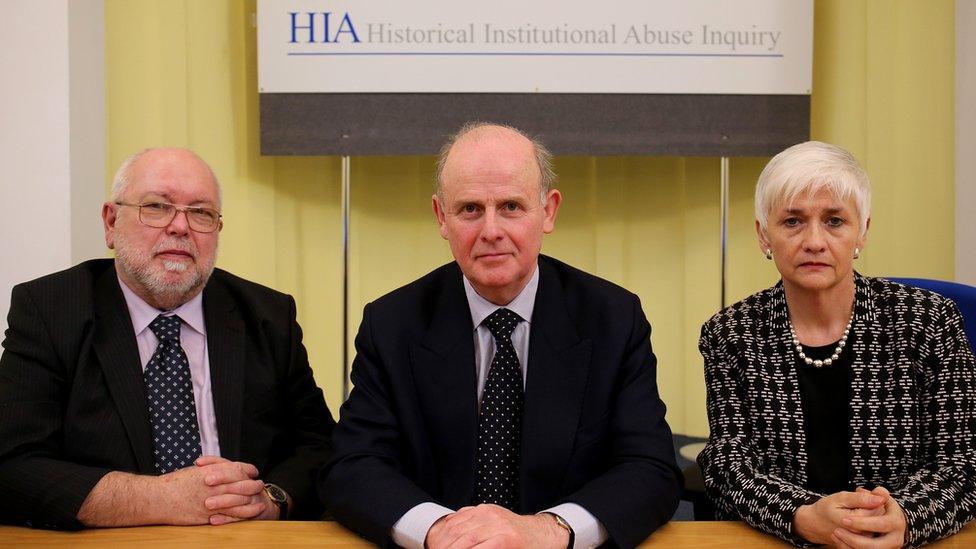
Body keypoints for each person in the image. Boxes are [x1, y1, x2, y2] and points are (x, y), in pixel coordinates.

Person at [321, 122, 681, 549]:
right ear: (441, 217)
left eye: (511, 206)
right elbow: (354, 465)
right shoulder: (392, 324)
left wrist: (548, 531)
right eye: (470, 209)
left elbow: (650, 469)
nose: (491, 230)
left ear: (548, 211)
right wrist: (439, 531)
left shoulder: (613, 319)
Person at [0, 148, 335, 529]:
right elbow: (12, 464)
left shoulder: (267, 316)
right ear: (111, 223)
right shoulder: (51, 310)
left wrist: (271, 499)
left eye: (201, 213)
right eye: (157, 207)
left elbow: (320, 448)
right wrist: (160, 499)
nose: (180, 227)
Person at [697, 141, 976, 547]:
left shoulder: (929, 321)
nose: (814, 241)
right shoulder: (731, 333)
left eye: (834, 221)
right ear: (763, 235)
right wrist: (802, 515)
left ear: (862, 231)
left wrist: (905, 518)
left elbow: (962, 463)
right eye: (792, 221)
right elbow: (726, 466)